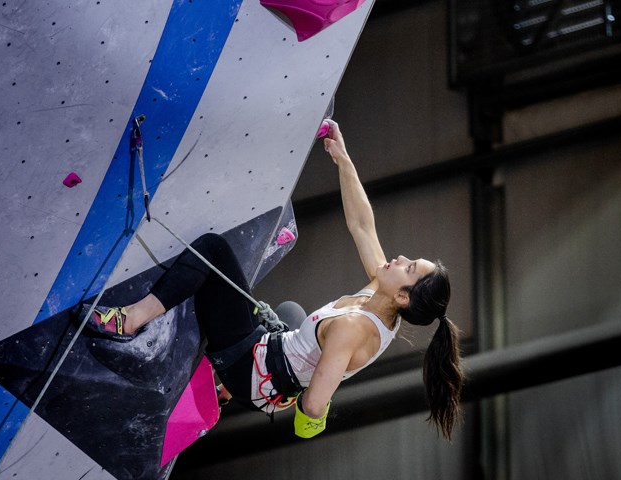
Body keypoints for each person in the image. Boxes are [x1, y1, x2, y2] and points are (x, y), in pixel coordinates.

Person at [82, 120, 464, 440]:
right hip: (279, 357)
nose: (400, 258)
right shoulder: (379, 298)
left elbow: (313, 407)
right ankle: (250, 387)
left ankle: (131, 319)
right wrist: (343, 159)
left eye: (409, 267)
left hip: (250, 368)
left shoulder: (352, 328)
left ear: (403, 297)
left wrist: (311, 403)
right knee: (290, 311)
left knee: (212, 251)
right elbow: (362, 225)